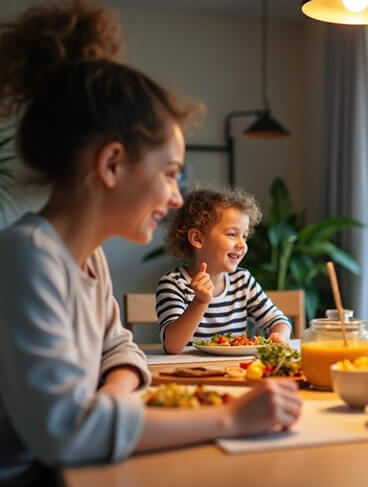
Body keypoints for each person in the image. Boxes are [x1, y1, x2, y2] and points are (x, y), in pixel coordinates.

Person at [0, 2, 300, 483]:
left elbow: (120, 349)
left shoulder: (87, 258)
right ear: (112, 165)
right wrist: (230, 419)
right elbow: (64, 433)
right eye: (168, 174)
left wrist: (112, 395)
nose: (176, 197)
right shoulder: (27, 259)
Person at [156, 187, 292, 353]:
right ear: (197, 238)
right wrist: (200, 301)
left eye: (244, 236)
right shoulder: (174, 284)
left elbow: (278, 320)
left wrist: (280, 336)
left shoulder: (242, 280)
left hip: (237, 372)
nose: (242, 244)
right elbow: (172, 346)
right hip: (191, 374)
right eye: (232, 234)